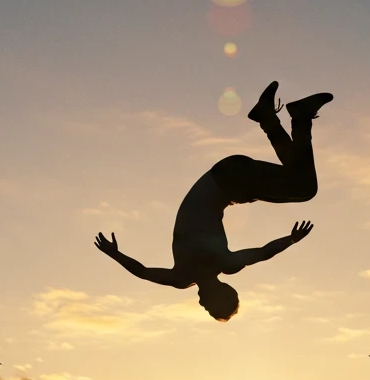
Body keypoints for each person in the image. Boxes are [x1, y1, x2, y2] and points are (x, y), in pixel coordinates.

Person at [94, 81, 332, 321]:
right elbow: (263, 253)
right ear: (219, 295)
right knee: (302, 184)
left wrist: (290, 240)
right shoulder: (208, 268)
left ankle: (280, 117)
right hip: (229, 182)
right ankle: (279, 117)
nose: (202, 306)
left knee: (304, 186)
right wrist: (290, 240)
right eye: (209, 308)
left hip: (230, 180)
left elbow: (142, 272)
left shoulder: (203, 271)